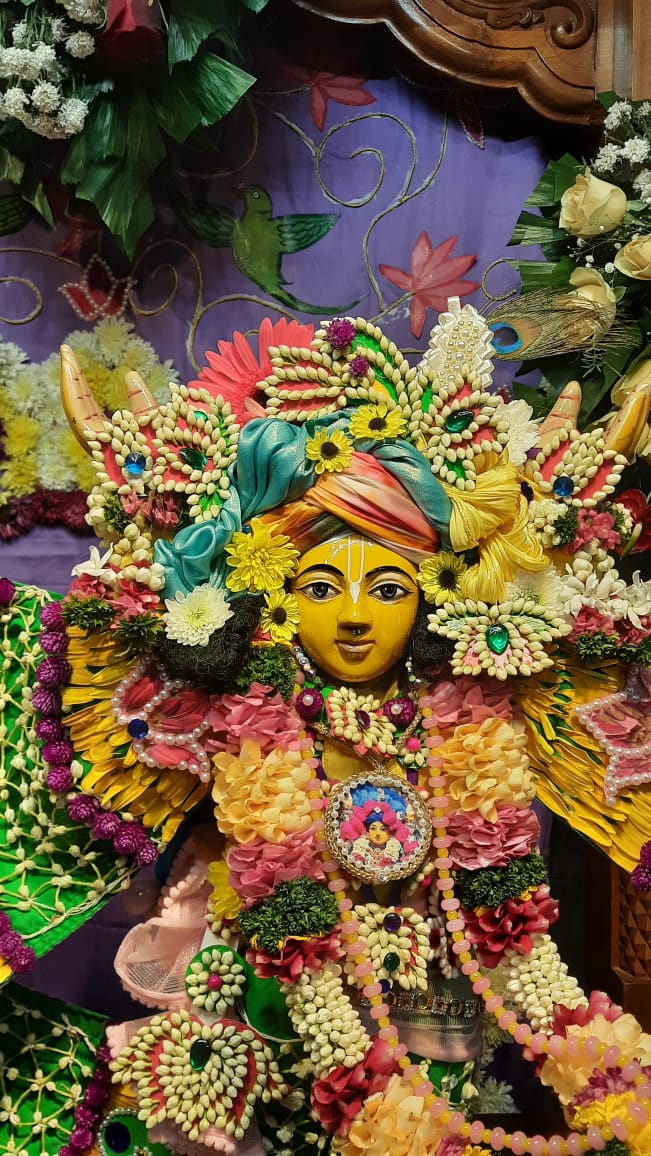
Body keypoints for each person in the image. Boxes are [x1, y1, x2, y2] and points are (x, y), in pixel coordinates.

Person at [5, 304, 651, 1156]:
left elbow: (509, 920)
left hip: (437, 992)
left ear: (430, 598)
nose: (352, 616)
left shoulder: (471, 708)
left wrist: (607, 1078)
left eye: (386, 589)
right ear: (276, 595)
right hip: (267, 1002)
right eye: (319, 588)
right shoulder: (230, 704)